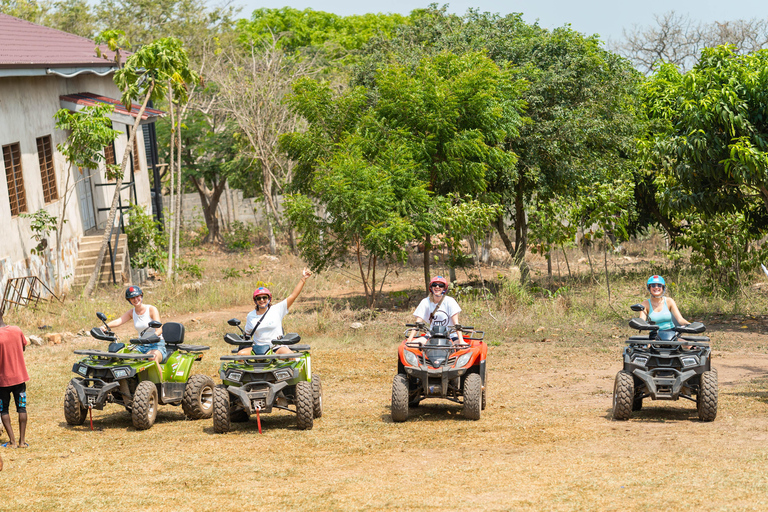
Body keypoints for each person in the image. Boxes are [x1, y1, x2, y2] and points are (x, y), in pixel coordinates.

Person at [237, 268, 313, 356]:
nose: (262, 300)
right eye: (259, 298)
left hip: (276, 347)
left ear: (269, 299)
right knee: (240, 354)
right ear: (255, 300)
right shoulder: (251, 315)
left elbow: (293, 296)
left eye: (264, 297)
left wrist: (303, 279)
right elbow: (247, 334)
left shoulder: (277, 309)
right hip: (258, 348)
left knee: (290, 355)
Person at [105, 286, 166, 364]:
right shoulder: (131, 312)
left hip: (156, 345)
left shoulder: (151, 309)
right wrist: (104, 326)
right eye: (132, 298)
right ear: (129, 300)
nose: (136, 299)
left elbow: (159, 329)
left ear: (141, 296)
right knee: (124, 359)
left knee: (152, 358)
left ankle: (159, 377)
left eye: (137, 296)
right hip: (141, 345)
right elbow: (119, 321)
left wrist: (152, 337)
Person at [0, 309, 30, 449]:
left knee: (3, 409)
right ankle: (22, 442)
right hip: (19, 379)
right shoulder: (17, 330)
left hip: (2, 382)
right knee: (22, 408)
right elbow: (22, 348)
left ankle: (12, 442)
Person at [406, 276, 464, 345]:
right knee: (411, 346)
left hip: (450, 336)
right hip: (431, 336)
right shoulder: (425, 302)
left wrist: (461, 340)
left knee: (460, 348)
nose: (437, 287)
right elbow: (417, 324)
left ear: (444, 288)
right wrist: (409, 339)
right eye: (434, 285)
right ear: (431, 287)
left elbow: (456, 324)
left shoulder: (450, 301)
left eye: (441, 285)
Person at [640, 275, 691, 341]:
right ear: (649, 288)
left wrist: (690, 325)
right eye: (653, 285)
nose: (656, 287)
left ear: (663, 287)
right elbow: (641, 321)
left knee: (688, 346)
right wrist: (638, 323)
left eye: (659, 285)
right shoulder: (645, 304)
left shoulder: (669, 301)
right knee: (648, 347)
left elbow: (680, 319)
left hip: (671, 334)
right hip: (655, 335)